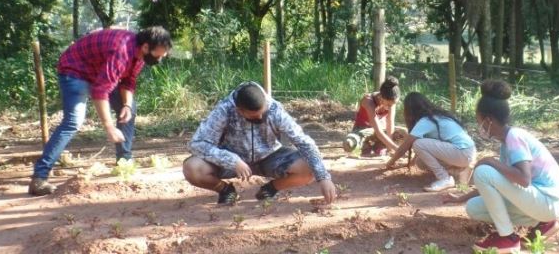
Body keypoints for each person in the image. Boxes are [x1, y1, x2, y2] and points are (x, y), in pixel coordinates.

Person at [28, 26, 172, 196]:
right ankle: (39, 177)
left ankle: (124, 163)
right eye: (159, 54)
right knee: (73, 121)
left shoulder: (140, 55)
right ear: (146, 47)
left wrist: (126, 105)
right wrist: (109, 127)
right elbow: (100, 91)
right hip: (75, 70)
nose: (160, 59)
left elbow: (128, 81)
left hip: (99, 71)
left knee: (129, 108)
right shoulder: (122, 51)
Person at [441, 80, 559, 253]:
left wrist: (490, 162)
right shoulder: (506, 143)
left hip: (549, 201)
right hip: (542, 201)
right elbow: (497, 184)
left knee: (483, 170)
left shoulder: (515, 137)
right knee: (474, 207)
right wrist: (461, 198)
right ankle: (543, 224)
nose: (480, 127)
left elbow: (523, 179)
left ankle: (507, 238)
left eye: (480, 121)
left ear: (489, 120)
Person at [183, 81, 336, 205]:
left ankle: (270, 189)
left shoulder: (274, 109)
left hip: (271, 156)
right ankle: (225, 190)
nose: (262, 116)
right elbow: (196, 143)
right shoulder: (224, 110)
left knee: (309, 168)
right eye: (255, 116)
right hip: (232, 161)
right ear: (240, 110)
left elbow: (303, 142)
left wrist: (323, 177)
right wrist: (231, 159)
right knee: (192, 168)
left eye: (263, 111)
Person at [385, 91, 476, 192]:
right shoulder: (436, 116)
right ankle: (458, 171)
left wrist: (390, 162)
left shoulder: (426, 121)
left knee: (418, 144)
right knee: (420, 162)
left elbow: (406, 145)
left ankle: (444, 178)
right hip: (467, 152)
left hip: (462, 152)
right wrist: (411, 162)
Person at [343, 76, 403, 157]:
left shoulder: (391, 102)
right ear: (381, 97)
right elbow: (378, 131)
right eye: (388, 104)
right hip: (362, 131)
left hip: (381, 131)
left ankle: (380, 147)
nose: (390, 107)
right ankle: (365, 147)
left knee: (402, 133)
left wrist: (390, 148)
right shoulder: (368, 101)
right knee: (349, 143)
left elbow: (390, 124)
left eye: (392, 105)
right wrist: (396, 148)